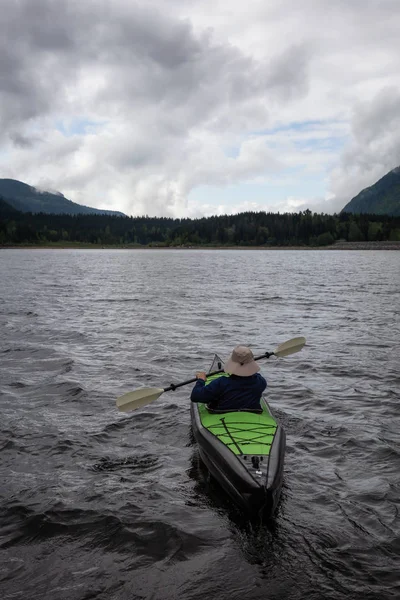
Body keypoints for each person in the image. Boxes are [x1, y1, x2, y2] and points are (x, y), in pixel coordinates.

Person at [190, 345, 267, 411]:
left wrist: (201, 380)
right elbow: (255, 375)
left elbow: (195, 396)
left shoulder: (221, 383)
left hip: (222, 413)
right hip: (252, 411)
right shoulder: (261, 382)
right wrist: (246, 364)